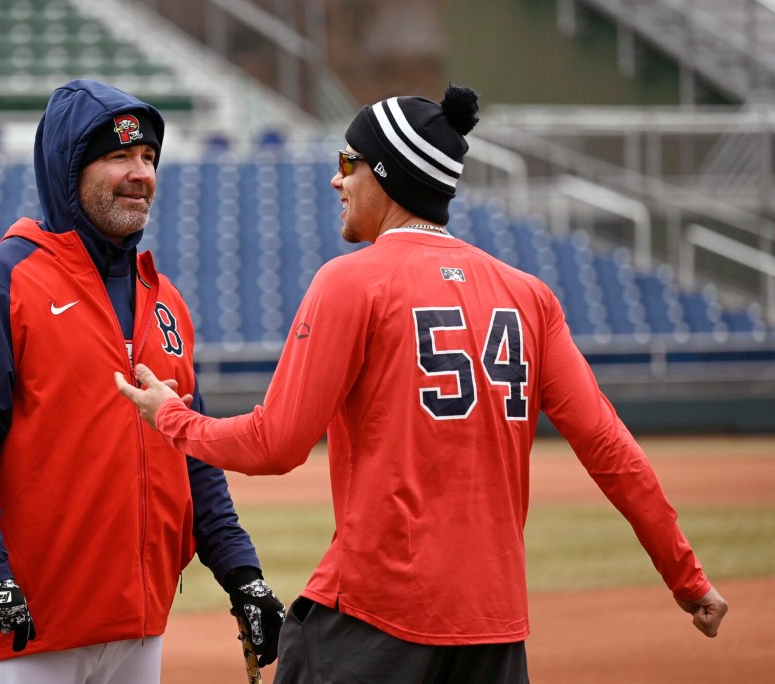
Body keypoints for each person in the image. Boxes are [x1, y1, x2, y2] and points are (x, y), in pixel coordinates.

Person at [115, 84, 729, 683]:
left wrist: (172, 416)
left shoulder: (351, 282)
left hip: (375, 619)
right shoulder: (530, 297)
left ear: (385, 174)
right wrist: (687, 576)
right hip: (495, 631)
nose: (337, 180)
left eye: (347, 163)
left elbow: (275, 445)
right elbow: (610, 449)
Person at [0, 79, 284, 683]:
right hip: (29, 630)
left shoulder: (165, 299)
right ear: (69, 169)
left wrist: (243, 574)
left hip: (139, 628)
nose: (140, 172)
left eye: (148, 158)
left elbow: (193, 454)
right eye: (119, 156)